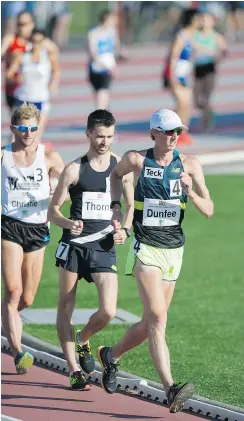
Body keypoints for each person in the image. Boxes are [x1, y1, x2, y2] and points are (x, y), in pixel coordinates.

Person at [97, 109, 214, 413]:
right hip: (145, 248)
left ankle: (111, 355)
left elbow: (209, 209)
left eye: (177, 131)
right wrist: (114, 207)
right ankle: (170, 388)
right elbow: (114, 175)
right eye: (167, 132)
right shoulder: (137, 159)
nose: (174, 137)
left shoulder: (190, 165)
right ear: (154, 133)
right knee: (159, 319)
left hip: (174, 251)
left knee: (149, 322)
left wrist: (192, 192)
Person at [48, 109, 134, 390]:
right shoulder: (74, 169)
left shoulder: (120, 168)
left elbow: (130, 207)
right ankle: (73, 369)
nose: (104, 142)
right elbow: (53, 211)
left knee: (109, 310)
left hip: (103, 246)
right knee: (65, 308)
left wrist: (125, 229)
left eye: (109, 136)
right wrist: (67, 222)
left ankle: (84, 339)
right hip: (73, 247)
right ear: (88, 134)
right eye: (99, 136)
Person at [1, 103, 65, 374]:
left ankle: (6, 317)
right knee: (13, 290)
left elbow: (70, 186)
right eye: (23, 128)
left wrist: (57, 198)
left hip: (38, 228)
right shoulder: (3, 156)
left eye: (33, 128)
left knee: (27, 298)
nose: (28, 133)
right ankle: (17, 352)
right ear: (13, 128)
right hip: (9, 226)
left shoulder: (49, 157)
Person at [6, 28, 60, 142]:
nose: (36, 44)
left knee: (35, 138)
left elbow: (57, 70)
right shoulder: (21, 56)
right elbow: (8, 75)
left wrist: (54, 83)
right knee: (15, 138)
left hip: (40, 100)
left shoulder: (48, 56)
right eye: (33, 41)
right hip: (23, 99)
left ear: (44, 42)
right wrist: (16, 78)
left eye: (39, 41)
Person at [1, 11, 59, 114]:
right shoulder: (11, 39)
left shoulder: (38, 41)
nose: (21, 27)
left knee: (31, 124)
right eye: (19, 24)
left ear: (32, 24)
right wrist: (10, 57)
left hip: (34, 90)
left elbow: (54, 52)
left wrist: (53, 81)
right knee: (17, 125)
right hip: (13, 88)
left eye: (24, 24)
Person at [163, 8, 201, 144]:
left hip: (186, 75)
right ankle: (173, 134)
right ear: (191, 20)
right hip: (175, 74)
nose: (200, 21)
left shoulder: (193, 35)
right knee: (181, 104)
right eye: (197, 19)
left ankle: (182, 133)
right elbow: (173, 56)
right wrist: (172, 77)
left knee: (187, 105)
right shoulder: (182, 35)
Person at [193, 11, 228, 131]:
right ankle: (209, 114)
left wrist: (217, 56)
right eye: (202, 19)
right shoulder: (194, 34)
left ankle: (206, 122)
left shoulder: (215, 36)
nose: (203, 21)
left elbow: (224, 51)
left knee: (206, 98)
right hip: (197, 69)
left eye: (206, 19)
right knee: (197, 100)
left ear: (212, 22)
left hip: (209, 70)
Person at [87, 10, 121, 110]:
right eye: (113, 20)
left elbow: (116, 49)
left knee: (103, 94)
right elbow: (92, 53)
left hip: (108, 70)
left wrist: (121, 55)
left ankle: (101, 118)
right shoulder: (94, 33)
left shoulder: (112, 32)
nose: (115, 22)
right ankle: (103, 116)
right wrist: (104, 65)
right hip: (96, 69)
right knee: (100, 96)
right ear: (107, 19)